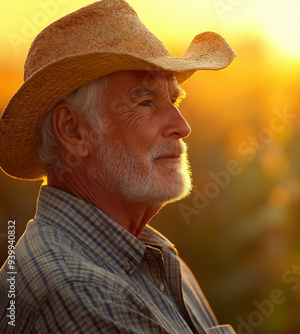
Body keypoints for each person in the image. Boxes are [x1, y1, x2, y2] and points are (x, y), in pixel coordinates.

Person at [0, 0, 236, 333]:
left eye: (174, 99)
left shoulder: (152, 255)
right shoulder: (78, 292)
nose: (182, 126)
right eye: (145, 101)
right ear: (72, 130)